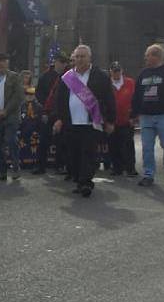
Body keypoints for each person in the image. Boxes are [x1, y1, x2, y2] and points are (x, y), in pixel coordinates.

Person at [54, 45, 115, 197]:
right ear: (73, 58)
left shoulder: (100, 76)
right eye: (78, 57)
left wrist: (110, 121)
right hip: (71, 123)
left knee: (88, 154)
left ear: (89, 58)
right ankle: (79, 179)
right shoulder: (67, 77)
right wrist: (58, 119)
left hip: (91, 123)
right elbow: (59, 101)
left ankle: (85, 183)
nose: (80, 59)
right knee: (73, 155)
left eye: (83, 56)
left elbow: (109, 99)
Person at [131, 44, 164, 187]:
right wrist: (133, 114)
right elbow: (136, 95)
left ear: (156, 56)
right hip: (146, 116)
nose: (145, 58)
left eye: (148, 55)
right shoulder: (143, 74)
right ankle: (148, 174)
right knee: (147, 147)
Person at [0, 53, 24, 181]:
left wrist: (6, 110)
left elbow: (18, 96)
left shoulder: (14, 77)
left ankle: (15, 166)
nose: (1, 64)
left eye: (4, 61)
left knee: (10, 140)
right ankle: (1, 171)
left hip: (11, 115)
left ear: (8, 63)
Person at [34, 54, 69, 175]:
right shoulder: (45, 76)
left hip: (62, 113)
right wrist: (44, 109)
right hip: (48, 112)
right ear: (55, 62)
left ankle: (60, 165)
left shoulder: (68, 76)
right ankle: (40, 166)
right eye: (60, 62)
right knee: (44, 139)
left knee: (61, 141)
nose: (62, 64)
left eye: (64, 62)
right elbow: (39, 94)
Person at [108, 61, 137, 177]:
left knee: (128, 145)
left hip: (127, 120)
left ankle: (131, 168)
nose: (116, 73)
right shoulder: (106, 84)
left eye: (118, 70)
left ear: (122, 71)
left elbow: (136, 100)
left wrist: (134, 117)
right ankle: (117, 168)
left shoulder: (130, 82)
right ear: (110, 71)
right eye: (114, 71)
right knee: (113, 145)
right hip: (112, 121)